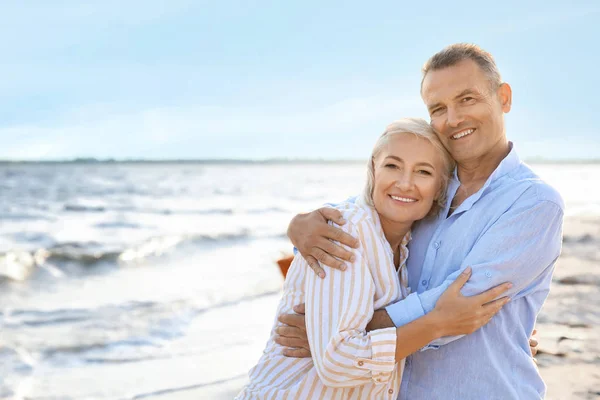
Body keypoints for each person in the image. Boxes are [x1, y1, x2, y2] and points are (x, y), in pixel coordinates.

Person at [282, 43, 563, 399]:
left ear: (503, 98)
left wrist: (337, 334)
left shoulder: (533, 202)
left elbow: (461, 306)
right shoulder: (426, 192)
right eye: (438, 109)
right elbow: (359, 221)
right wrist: (299, 225)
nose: (453, 119)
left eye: (468, 99)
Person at [236, 118, 512, 399]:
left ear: (440, 188)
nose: (405, 183)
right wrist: (437, 324)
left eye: (423, 172)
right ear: (373, 170)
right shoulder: (346, 233)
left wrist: (501, 337)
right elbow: (338, 363)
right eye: (392, 166)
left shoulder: (412, 246)